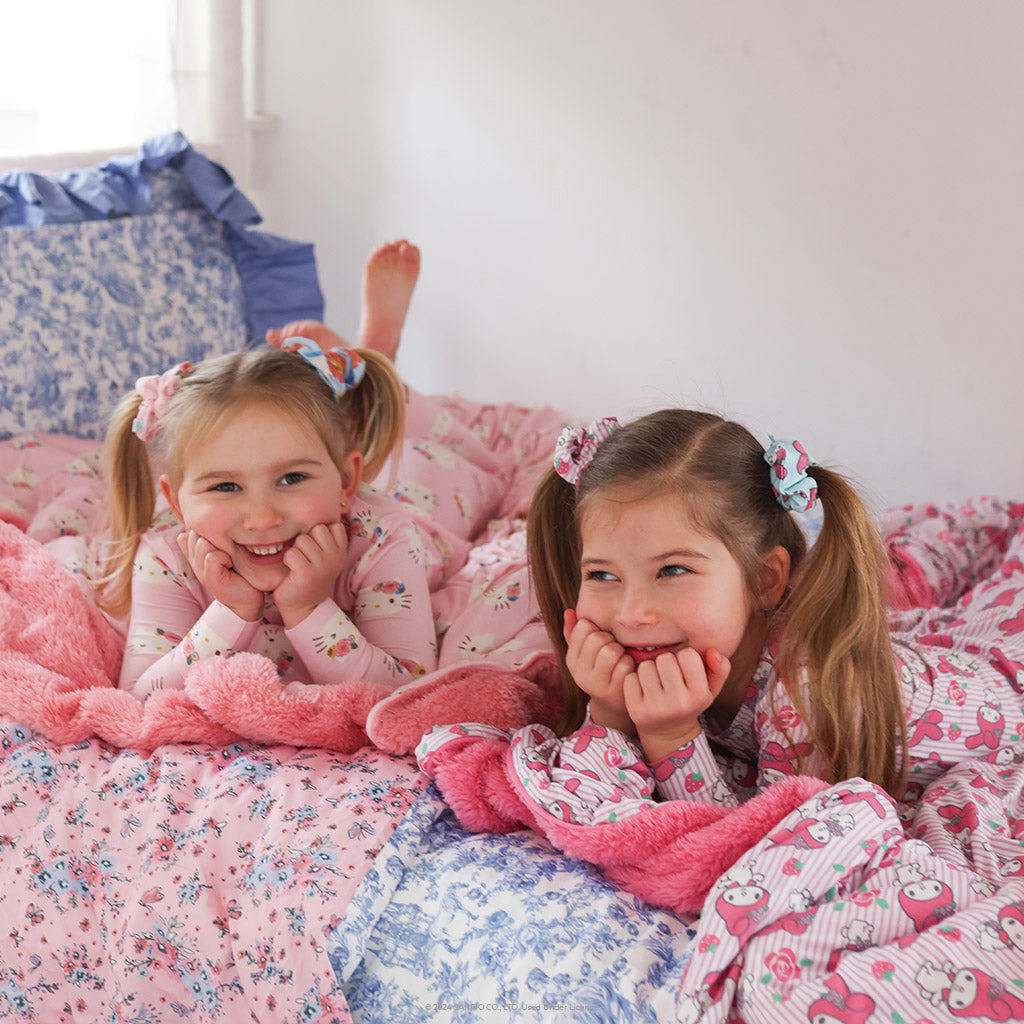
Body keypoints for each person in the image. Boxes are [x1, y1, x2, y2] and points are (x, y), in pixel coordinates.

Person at [508, 409, 1024, 811]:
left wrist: (670, 736)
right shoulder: (676, 647)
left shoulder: (805, 692)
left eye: (672, 570)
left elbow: (758, 846)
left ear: (763, 579)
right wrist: (612, 710)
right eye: (602, 575)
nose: (632, 612)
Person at [100, 240, 475, 699]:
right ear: (176, 501)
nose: (262, 518)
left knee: (438, 463)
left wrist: (308, 607)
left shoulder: (385, 536)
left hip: (421, 513)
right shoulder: (165, 555)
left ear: (347, 481)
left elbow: (408, 695)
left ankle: (376, 358)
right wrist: (232, 610)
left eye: (291, 478)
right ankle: (358, 387)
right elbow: (139, 697)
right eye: (225, 486)